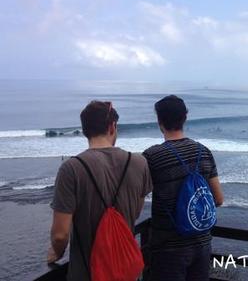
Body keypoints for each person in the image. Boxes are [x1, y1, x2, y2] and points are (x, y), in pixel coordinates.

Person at [47, 101, 152, 281]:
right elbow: (134, 212)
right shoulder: (139, 163)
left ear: (85, 129)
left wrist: (56, 253)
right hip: (126, 270)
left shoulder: (71, 168)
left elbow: (60, 234)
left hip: (87, 273)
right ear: (112, 126)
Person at [143, 95, 224, 281]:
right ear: (185, 117)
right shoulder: (204, 152)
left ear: (159, 121)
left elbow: (138, 197)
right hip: (202, 244)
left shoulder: (152, 156)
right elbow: (218, 199)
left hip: (168, 248)